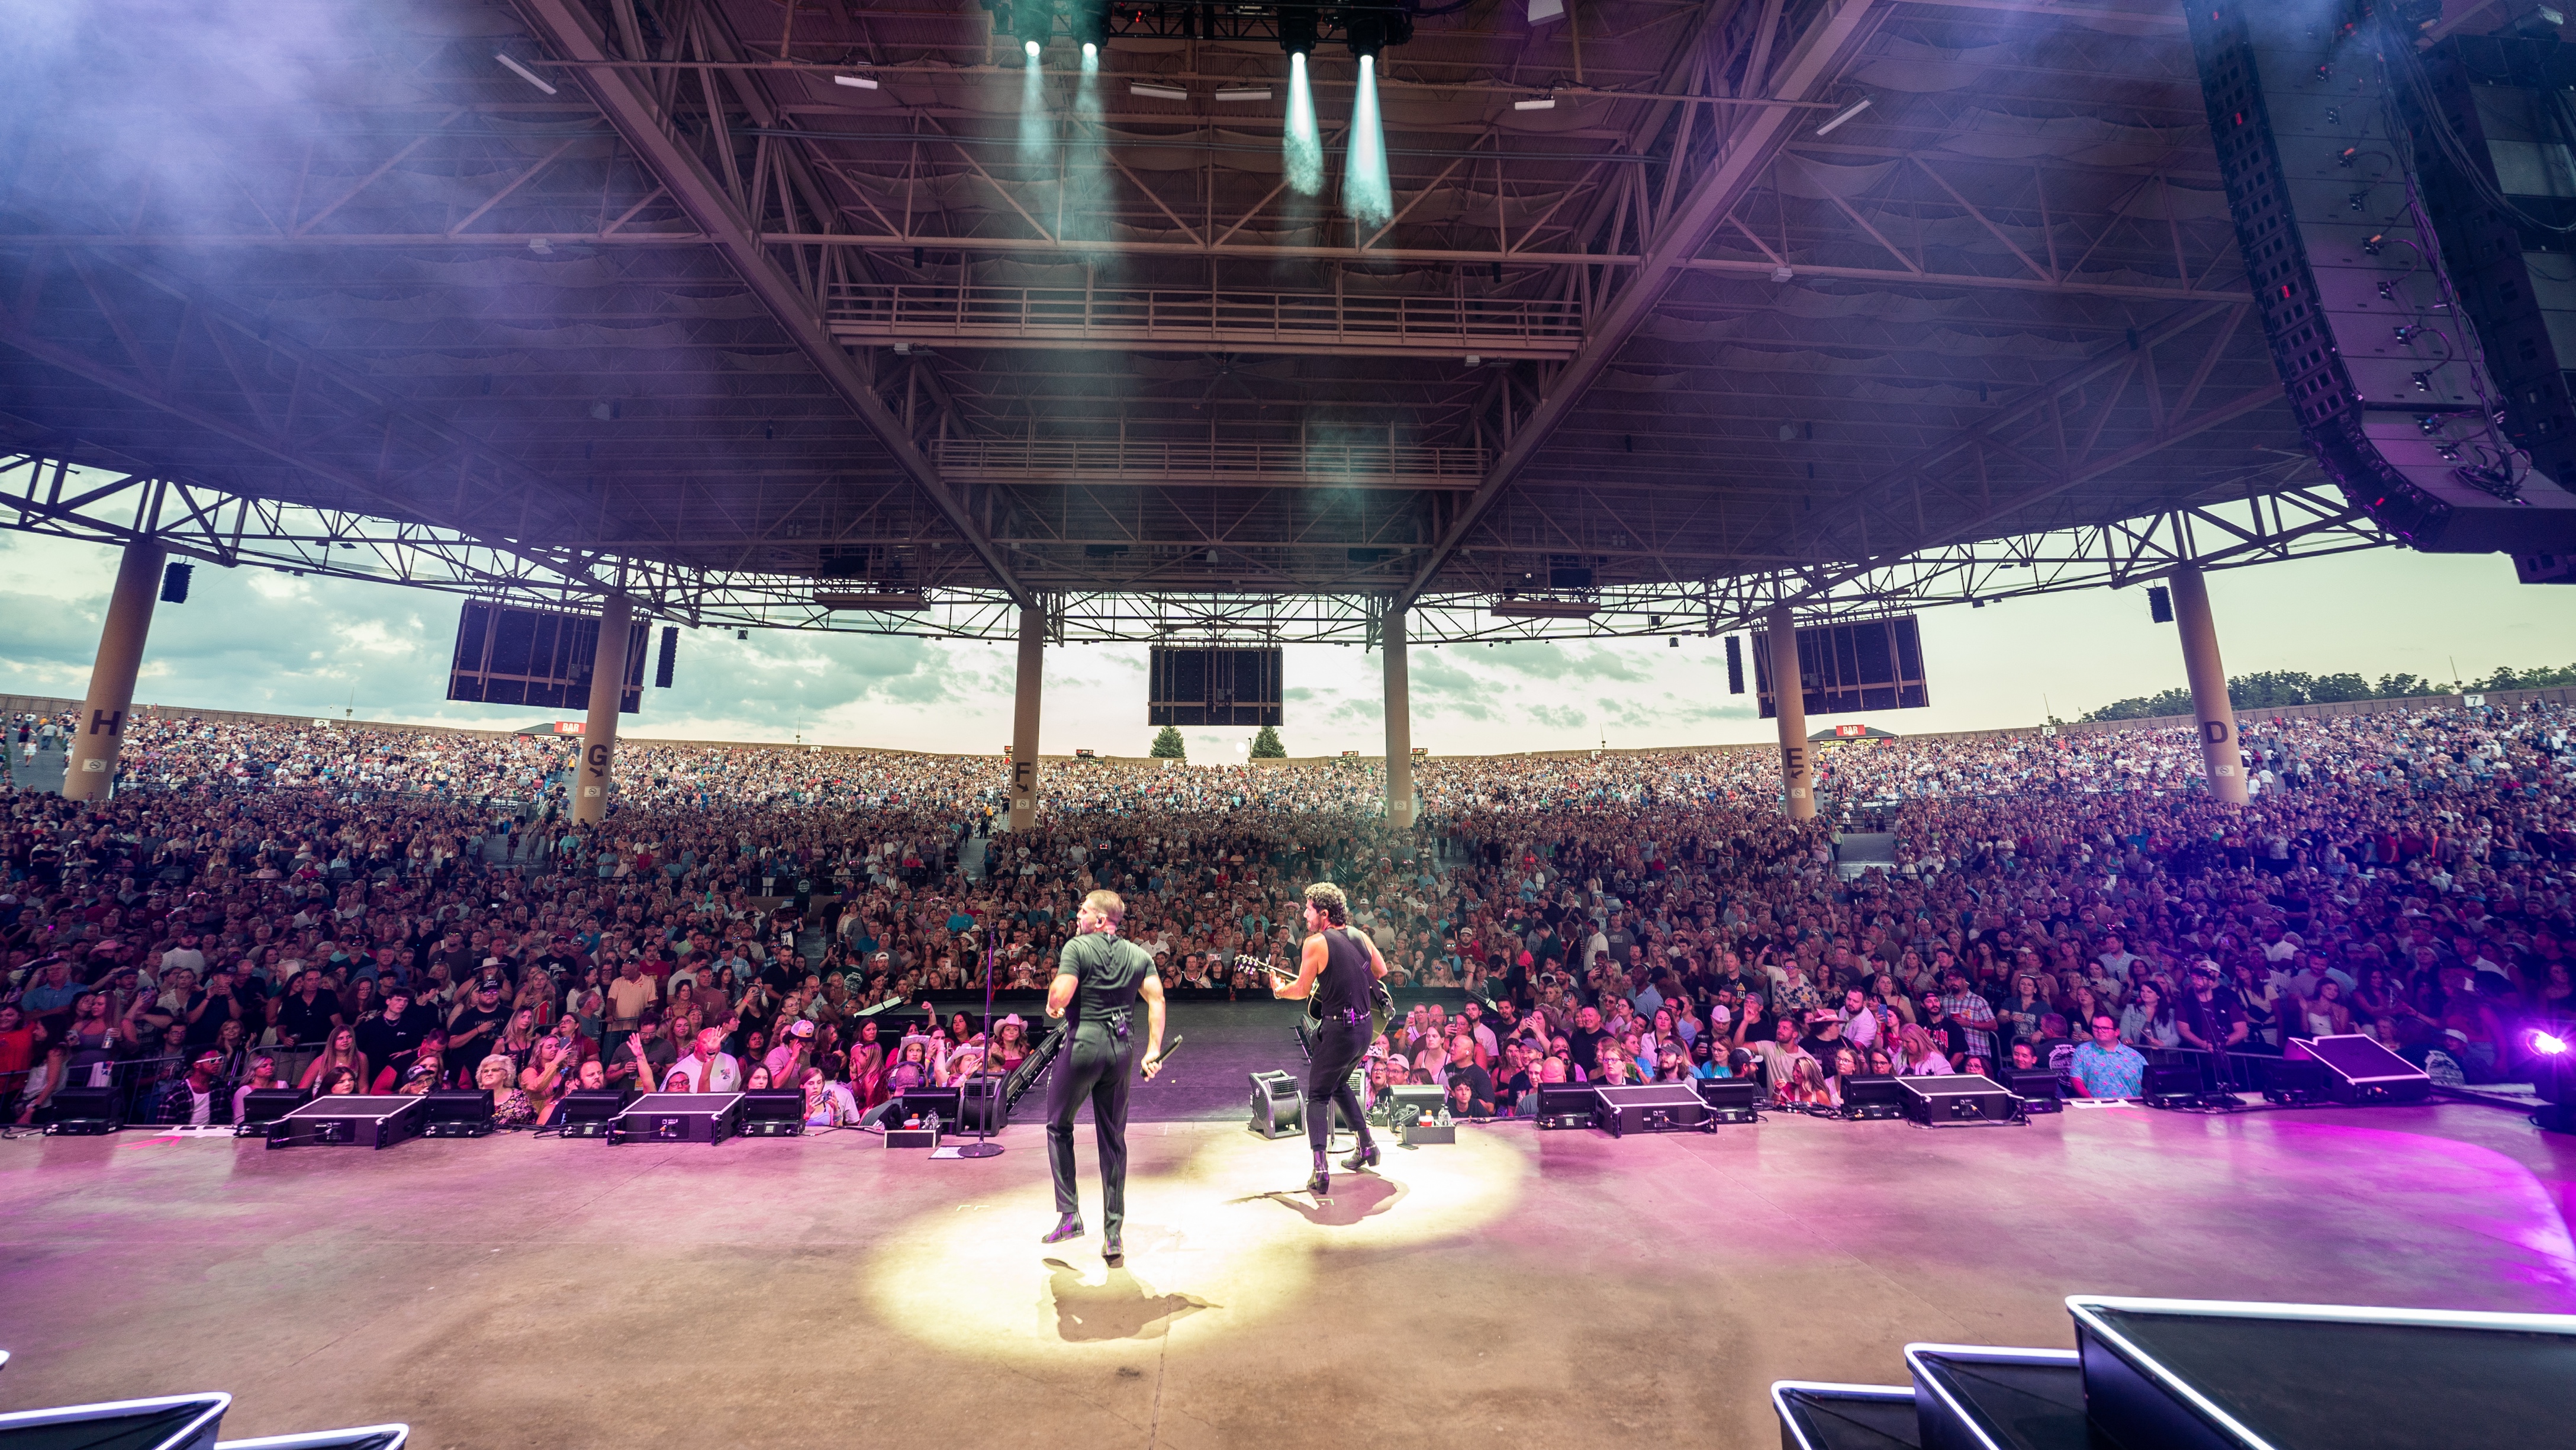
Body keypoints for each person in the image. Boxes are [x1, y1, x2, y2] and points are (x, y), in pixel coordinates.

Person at [1042, 889, 1168, 1265]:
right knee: (1113, 1140)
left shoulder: (1077, 948)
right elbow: (1157, 1000)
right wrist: (1153, 1050)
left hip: (1084, 1047)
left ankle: (1070, 1216)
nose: (1077, 916)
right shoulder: (1139, 955)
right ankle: (1113, 1234)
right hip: (1122, 1052)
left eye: (1083, 911)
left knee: (1058, 1125)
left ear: (1100, 920)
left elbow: (1062, 995)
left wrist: (1053, 1002)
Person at [1270, 882, 1387, 1197]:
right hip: (1365, 1029)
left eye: (1309, 909)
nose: (1305, 915)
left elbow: (1300, 990)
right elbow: (1381, 970)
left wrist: (1279, 990)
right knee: (1339, 1084)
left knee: (1318, 1096)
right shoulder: (1359, 935)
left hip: (1339, 1031)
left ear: (1323, 914)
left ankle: (1320, 1169)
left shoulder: (1315, 943)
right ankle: (1367, 1145)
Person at [2068, 1013, 2148, 1099]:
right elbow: (2076, 1079)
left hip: (2132, 1105)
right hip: (2096, 1105)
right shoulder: (2082, 1051)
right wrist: (2091, 1100)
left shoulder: (2135, 1057)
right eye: (2096, 1027)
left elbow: (2149, 1085)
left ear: (2117, 1032)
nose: (2100, 1031)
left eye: (2105, 1028)